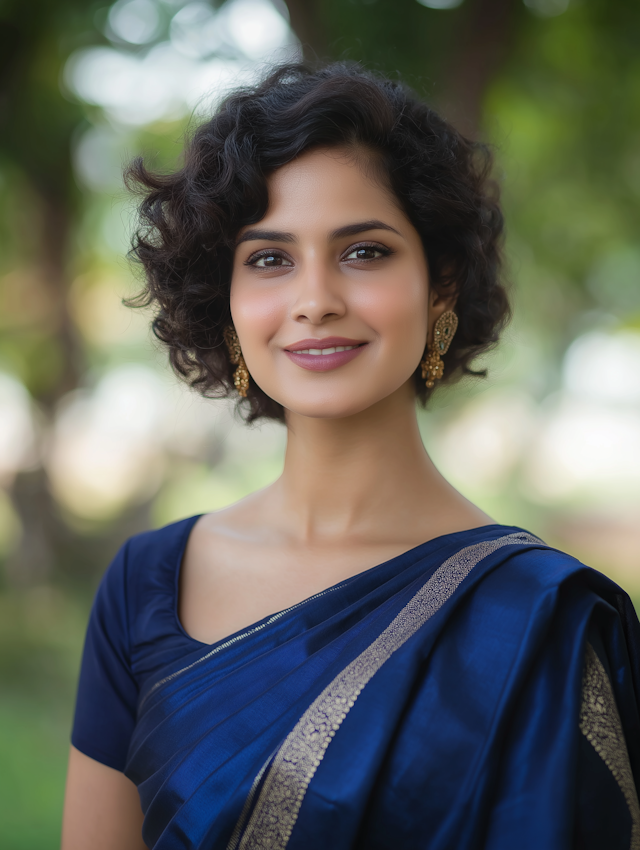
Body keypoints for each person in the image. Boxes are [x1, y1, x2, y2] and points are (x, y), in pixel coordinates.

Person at [61, 63, 640, 850]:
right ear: (225, 304)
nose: (315, 299)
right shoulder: (146, 583)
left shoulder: (545, 618)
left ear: (440, 287)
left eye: (364, 252)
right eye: (269, 258)